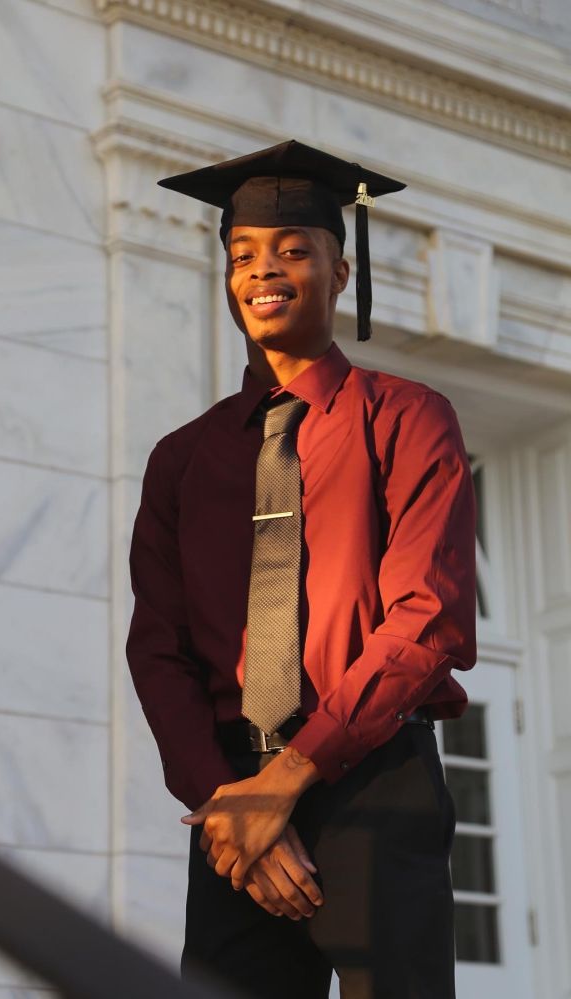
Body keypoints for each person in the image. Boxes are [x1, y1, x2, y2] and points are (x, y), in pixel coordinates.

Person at [125, 139, 477, 998]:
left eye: (291, 250)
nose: (263, 271)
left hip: (373, 786)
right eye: (241, 256)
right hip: (233, 795)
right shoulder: (182, 458)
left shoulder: (409, 420)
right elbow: (158, 648)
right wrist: (230, 797)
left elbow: (425, 619)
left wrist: (287, 778)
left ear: (339, 270)